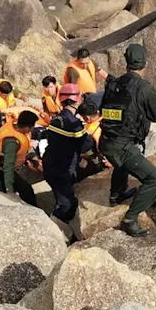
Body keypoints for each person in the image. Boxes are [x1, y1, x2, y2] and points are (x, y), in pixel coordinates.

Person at [99, 43, 156, 237]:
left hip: (106, 141)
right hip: (122, 147)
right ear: (146, 64)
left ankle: (116, 194)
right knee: (155, 179)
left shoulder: (113, 84)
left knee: (124, 161)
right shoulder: (143, 88)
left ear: (125, 62)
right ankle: (130, 218)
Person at [42, 83, 95, 226]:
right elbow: (86, 145)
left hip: (51, 165)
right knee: (67, 207)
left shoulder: (57, 119)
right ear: (78, 99)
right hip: (62, 170)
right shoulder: (74, 124)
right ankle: (51, 225)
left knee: (63, 196)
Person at [0, 109, 39, 206]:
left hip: (2, 161)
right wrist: (10, 190)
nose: (33, 128)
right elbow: (7, 167)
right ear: (26, 127)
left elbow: (27, 145)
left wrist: (33, 157)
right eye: (32, 126)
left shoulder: (14, 125)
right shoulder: (11, 142)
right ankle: (34, 209)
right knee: (26, 189)